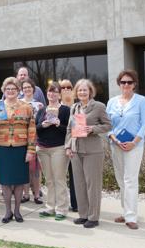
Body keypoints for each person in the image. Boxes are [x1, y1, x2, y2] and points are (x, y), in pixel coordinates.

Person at [107, 70, 145, 230]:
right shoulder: (112, 102)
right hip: (116, 145)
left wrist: (134, 142)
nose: (126, 85)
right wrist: (114, 139)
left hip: (134, 146)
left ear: (134, 84)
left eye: (129, 82)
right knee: (120, 179)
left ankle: (131, 217)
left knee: (130, 180)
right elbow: (107, 124)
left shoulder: (141, 100)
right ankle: (125, 212)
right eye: (123, 82)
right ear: (119, 84)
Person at [0, 77, 36, 223]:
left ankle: (17, 211)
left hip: (20, 148)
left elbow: (32, 130)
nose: (10, 91)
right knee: (6, 182)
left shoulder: (27, 107)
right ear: (4, 90)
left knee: (20, 181)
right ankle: (8, 211)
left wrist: (31, 150)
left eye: (13, 89)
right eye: (7, 89)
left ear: (18, 90)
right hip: (3, 148)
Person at [65, 79, 111, 228]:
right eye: (79, 90)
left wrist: (93, 129)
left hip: (93, 151)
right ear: (76, 92)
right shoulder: (74, 108)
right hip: (76, 150)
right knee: (79, 184)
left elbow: (108, 125)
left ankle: (93, 217)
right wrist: (68, 146)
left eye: (85, 90)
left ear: (90, 91)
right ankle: (83, 215)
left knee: (93, 185)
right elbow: (69, 130)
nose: (82, 92)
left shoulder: (98, 106)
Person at [36, 82, 71, 221]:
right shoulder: (42, 110)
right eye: (50, 92)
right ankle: (50, 207)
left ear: (59, 94)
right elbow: (35, 127)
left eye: (55, 92)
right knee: (49, 180)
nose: (52, 94)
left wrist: (58, 124)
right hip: (43, 149)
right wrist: (43, 125)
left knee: (59, 179)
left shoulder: (65, 110)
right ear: (47, 93)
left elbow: (70, 129)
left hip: (59, 148)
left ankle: (61, 209)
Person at [20, 78, 44, 204]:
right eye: (24, 88)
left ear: (33, 89)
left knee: (36, 168)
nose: (27, 89)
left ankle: (36, 194)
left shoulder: (39, 105)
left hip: (36, 137)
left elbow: (41, 122)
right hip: (22, 138)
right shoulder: (18, 103)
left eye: (29, 87)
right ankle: (25, 194)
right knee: (24, 167)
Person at [60, 79, 78, 212]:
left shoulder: (78, 107)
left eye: (69, 87)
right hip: (58, 145)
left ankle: (76, 203)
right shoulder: (55, 107)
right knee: (60, 177)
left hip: (74, 145)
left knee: (75, 176)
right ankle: (61, 203)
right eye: (63, 87)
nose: (66, 89)